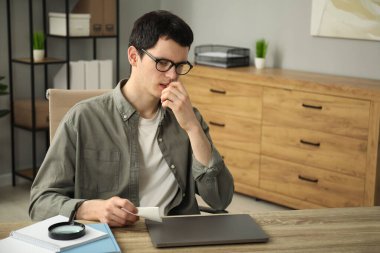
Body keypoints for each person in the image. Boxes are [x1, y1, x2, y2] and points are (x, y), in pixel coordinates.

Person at [29, 10, 234, 227]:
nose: (173, 75)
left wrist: (193, 127)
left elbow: (220, 199)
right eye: (163, 63)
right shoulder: (82, 119)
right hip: (110, 237)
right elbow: (39, 202)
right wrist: (89, 208)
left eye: (180, 65)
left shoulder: (188, 117)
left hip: (176, 235)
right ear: (133, 56)